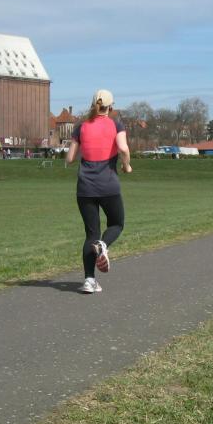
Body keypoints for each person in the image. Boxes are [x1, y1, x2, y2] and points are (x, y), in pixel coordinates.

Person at [66, 89, 132, 294]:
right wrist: (126, 166)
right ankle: (104, 245)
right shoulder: (116, 124)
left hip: (85, 188)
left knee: (91, 234)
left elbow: (70, 159)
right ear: (110, 107)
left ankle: (89, 280)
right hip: (108, 185)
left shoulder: (81, 126)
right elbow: (123, 149)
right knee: (117, 223)